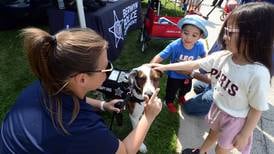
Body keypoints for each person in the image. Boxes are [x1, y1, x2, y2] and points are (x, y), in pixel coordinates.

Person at [0, 27, 162, 154]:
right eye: (107, 67)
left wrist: (102, 105)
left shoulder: (45, 84)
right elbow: (125, 151)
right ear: (82, 78)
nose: (111, 70)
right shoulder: (83, 128)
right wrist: (148, 116)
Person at [151, 2, 274, 154]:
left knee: (221, 149)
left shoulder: (258, 74)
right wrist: (163, 67)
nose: (224, 37)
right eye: (225, 31)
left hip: (234, 119)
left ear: (253, 36)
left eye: (230, 33)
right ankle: (201, 151)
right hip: (218, 106)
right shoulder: (224, 56)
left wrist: (244, 134)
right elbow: (195, 64)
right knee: (212, 134)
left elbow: (257, 109)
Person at [150, 14, 208, 113]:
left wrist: (206, 63)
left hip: (188, 75)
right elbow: (161, 55)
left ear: (200, 37)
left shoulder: (200, 46)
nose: (188, 38)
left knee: (186, 89)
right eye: (186, 33)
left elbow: (204, 56)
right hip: (174, 75)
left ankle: (181, 96)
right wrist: (151, 65)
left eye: (194, 35)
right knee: (171, 90)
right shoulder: (175, 45)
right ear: (181, 31)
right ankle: (169, 102)